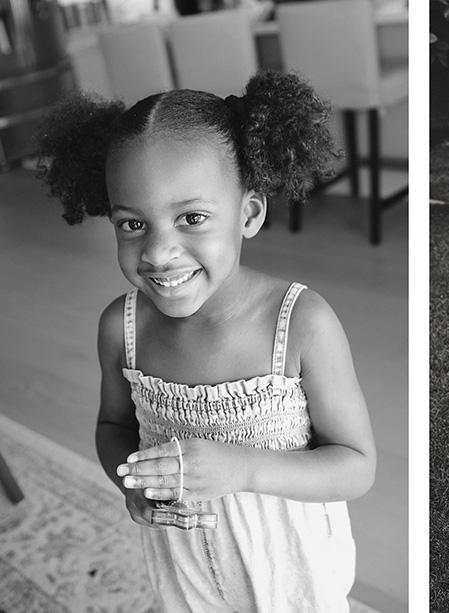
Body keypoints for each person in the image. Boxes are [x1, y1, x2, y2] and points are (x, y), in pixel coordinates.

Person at [36, 70, 376, 612]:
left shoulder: (301, 325)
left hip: (292, 575)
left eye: (191, 218)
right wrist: (131, 484)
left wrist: (243, 468)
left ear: (250, 213)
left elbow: (356, 465)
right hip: (184, 569)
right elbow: (113, 427)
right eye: (131, 224)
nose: (158, 252)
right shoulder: (121, 329)